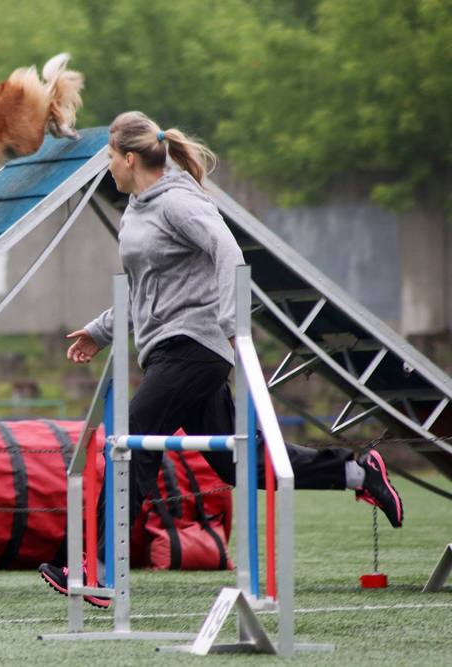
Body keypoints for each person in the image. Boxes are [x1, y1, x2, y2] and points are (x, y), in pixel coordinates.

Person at [39, 111, 404, 606]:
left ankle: (95, 565)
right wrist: (102, 330)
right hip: (166, 352)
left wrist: (234, 327)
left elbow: (228, 253)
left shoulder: (180, 202)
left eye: (109, 157)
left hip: (194, 348)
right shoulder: (136, 211)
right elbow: (146, 290)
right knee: (239, 464)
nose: (108, 167)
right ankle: (357, 471)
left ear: (129, 158)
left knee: (132, 441)